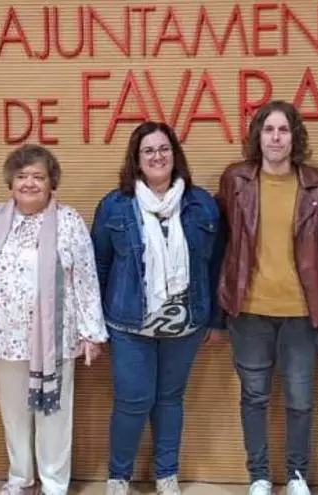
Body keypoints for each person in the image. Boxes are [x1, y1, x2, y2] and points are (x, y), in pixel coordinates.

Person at [91, 121, 225, 495]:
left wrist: (217, 320)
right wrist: (94, 326)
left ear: (175, 154)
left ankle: (167, 474)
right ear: (136, 159)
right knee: (132, 402)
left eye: (164, 149)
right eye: (148, 150)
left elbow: (217, 265)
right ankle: (119, 477)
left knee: (169, 401)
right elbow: (98, 265)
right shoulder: (115, 205)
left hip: (186, 325)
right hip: (128, 325)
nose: (157, 156)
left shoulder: (201, 204)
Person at [0, 144, 108, 495]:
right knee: (14, 413)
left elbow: (86, 277)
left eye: (38, 176)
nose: (29, 183)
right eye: (22, 176)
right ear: (11, 181)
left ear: (51, 182)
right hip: (5, 337)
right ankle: (20, 478)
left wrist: (92, 333)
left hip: (55, 338)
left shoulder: (68, 221)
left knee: (54, 415)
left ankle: (54, 484)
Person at [215, 100, 318, 495]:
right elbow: (224, 241)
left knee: (300, 399)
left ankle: (297, 475)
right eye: (269, 130)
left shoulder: (317, 183)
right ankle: (260, 477)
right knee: (255, 397)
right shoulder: (236, 180)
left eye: (283, 130)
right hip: (249, 310)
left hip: (302, 311)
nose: (276, 138)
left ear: (294, 136)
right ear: (258, 136)